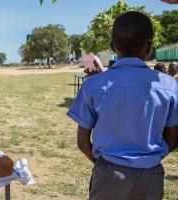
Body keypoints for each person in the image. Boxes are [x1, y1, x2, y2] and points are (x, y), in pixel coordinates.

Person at [67, 11, 178, 199]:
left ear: (112, 47)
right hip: (150, 176)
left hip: (108, 174)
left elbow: (82, 142)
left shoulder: (93, 85)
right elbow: (174, 138)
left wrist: (102, 163)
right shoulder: (169, 85)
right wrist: (152, 158)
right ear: (149, 47)